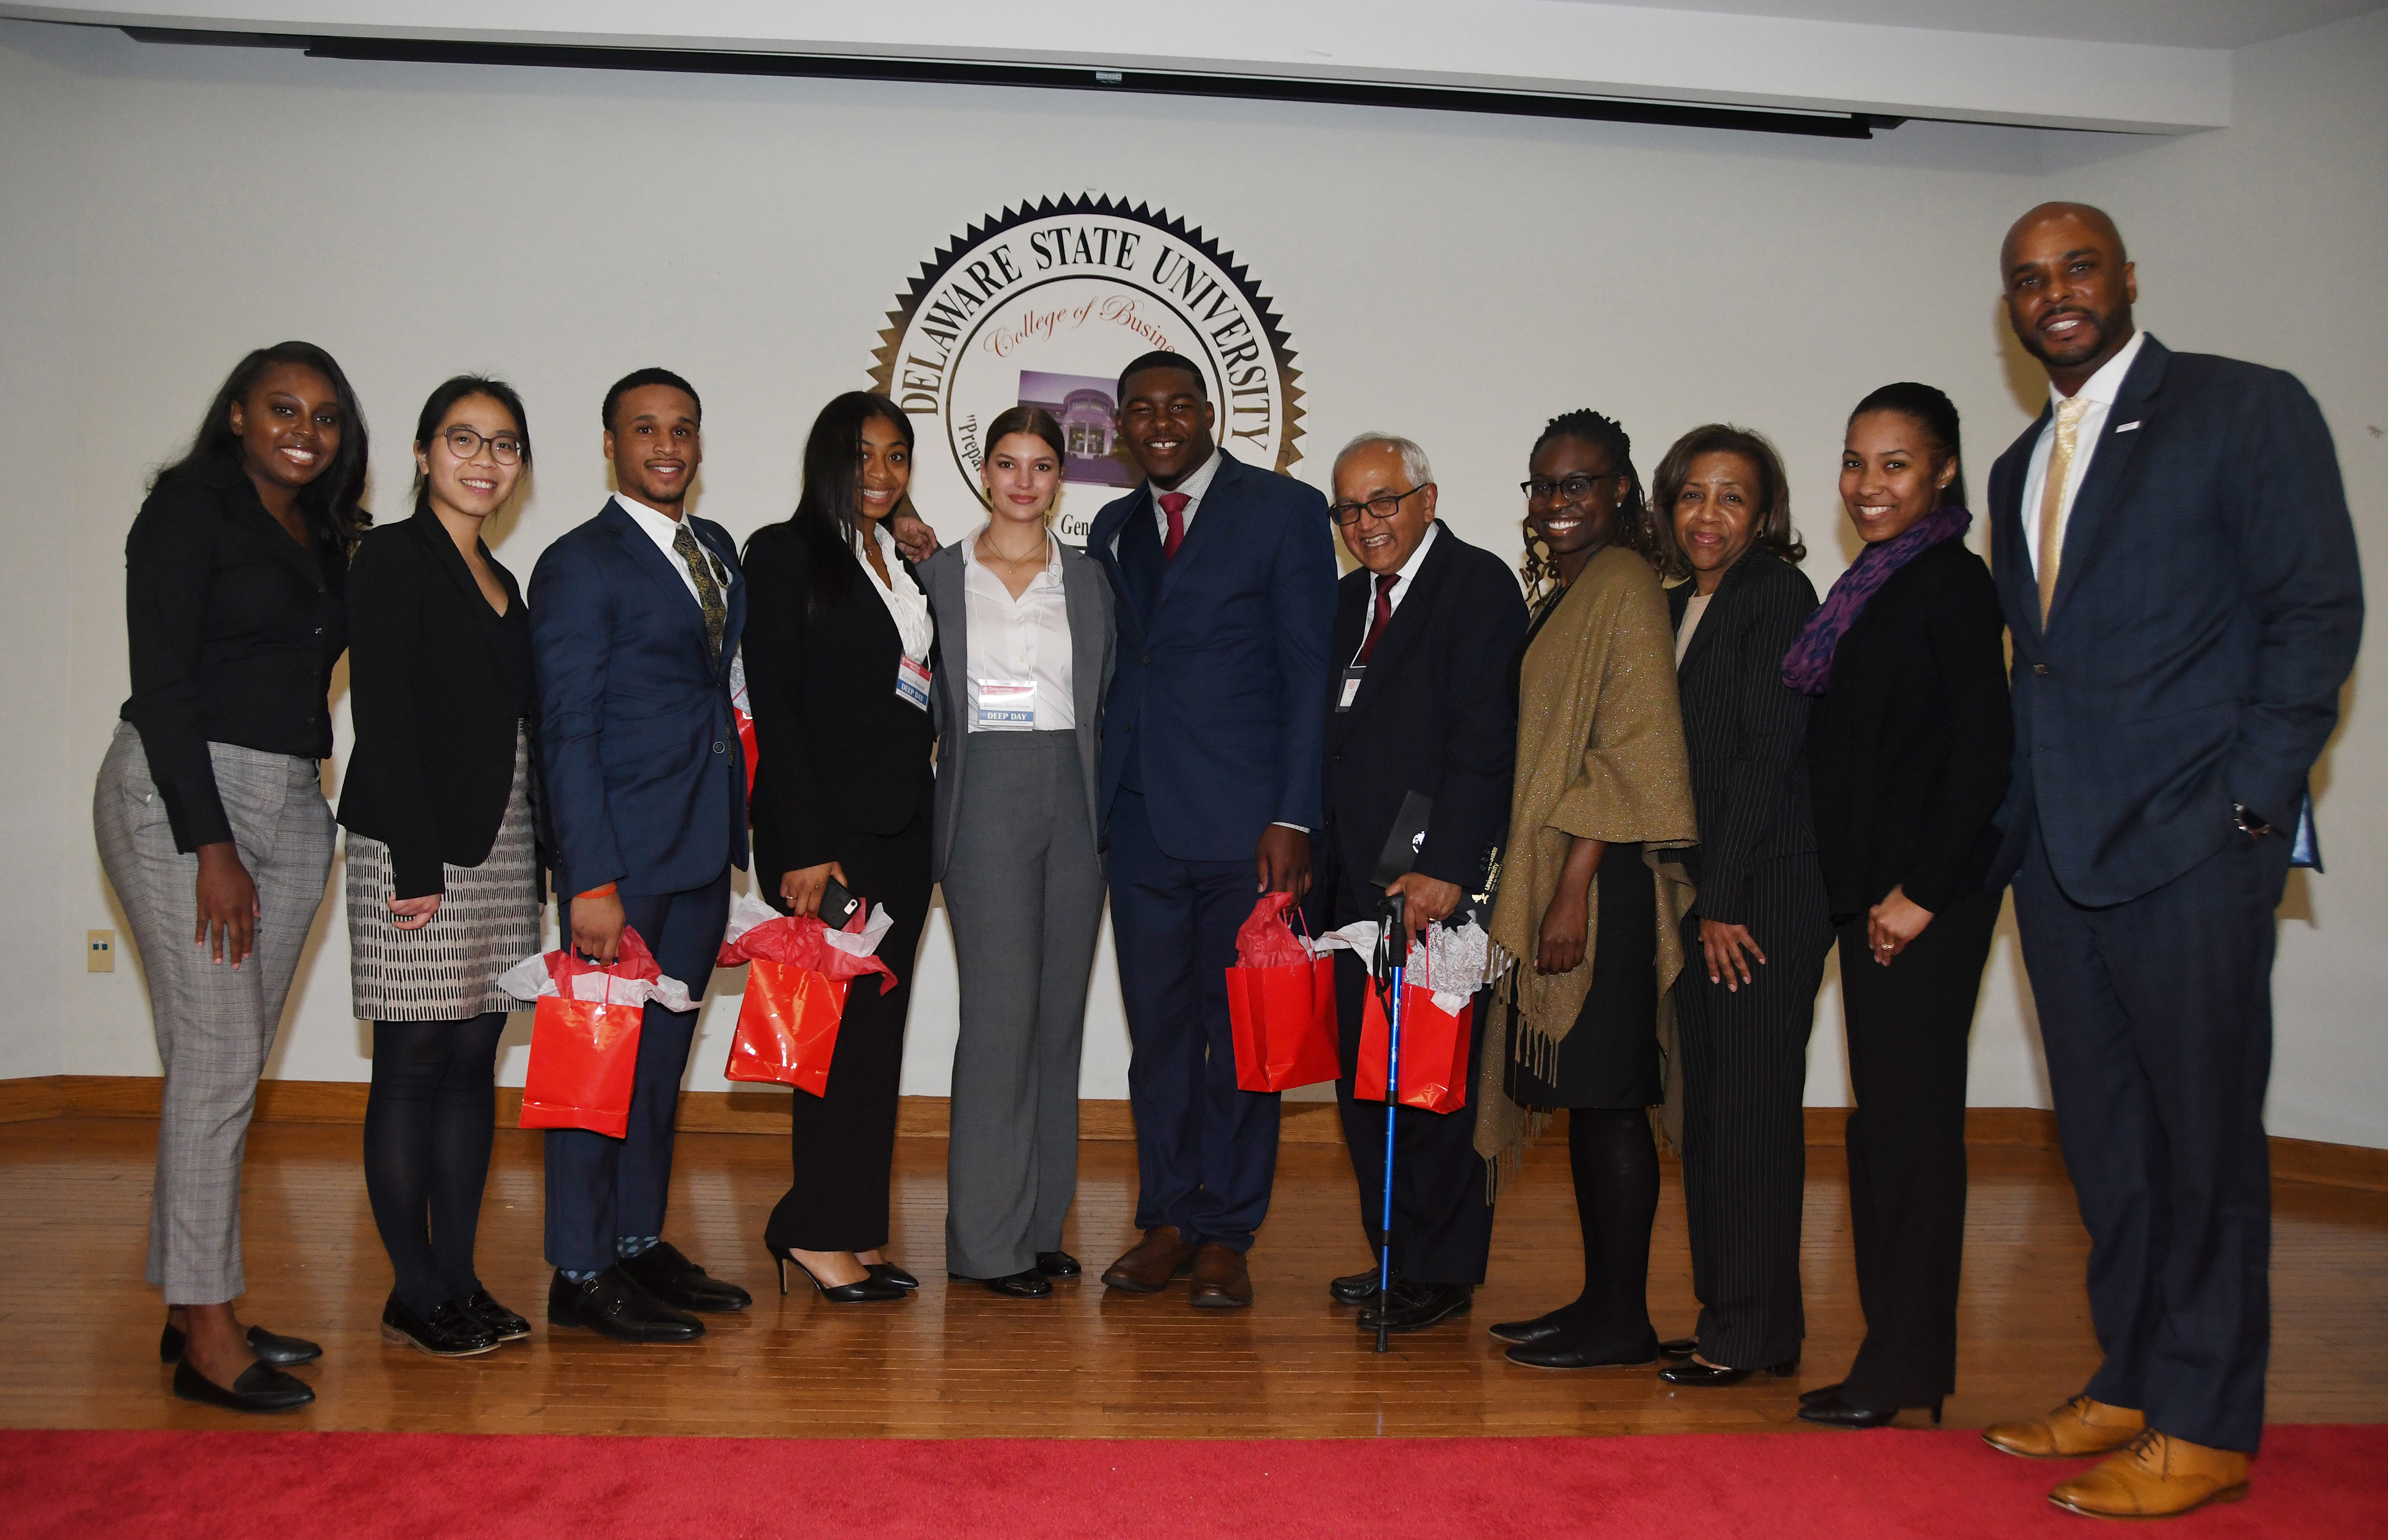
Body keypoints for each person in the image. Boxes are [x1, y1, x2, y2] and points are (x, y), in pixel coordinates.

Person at [1976, 204, 2362, 1520]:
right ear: (2009, 309)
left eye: (2076, 267)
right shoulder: (2017, 465)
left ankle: (2203, 1419)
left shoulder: (2243, 410)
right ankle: (2131, 1376)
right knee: (2106, 1145)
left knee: (2202, 1148)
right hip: (2061, 861)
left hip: (2194, 847)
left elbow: (2314, 608)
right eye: (2027, 280)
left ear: (2125, 277)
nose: (2054, 295)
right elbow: (2044, 669)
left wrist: (2250, 807)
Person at [94, 341, 365, 1411]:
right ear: (239, 417)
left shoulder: (328, 538)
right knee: (214, 1064)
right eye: (283, 408)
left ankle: (189, 1304)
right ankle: (210, 1336)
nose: (305, 429)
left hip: (296, 798)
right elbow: (161, 688)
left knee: (227, 1064)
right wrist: (210, 847)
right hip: (180, 793)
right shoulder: (185, 513)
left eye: (327, 416)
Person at [1085, 350, 1338, 1308]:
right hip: (1140, 824)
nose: (1159, 423)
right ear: (1120, 425)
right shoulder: (1114, 525)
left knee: (1242, 1038)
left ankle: (1229, 1231)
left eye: (1176, 406)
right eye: (1139, 410)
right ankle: (1169, 1218)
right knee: (1158, 1037)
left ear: (1207, 412)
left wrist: (1293, 813)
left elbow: (1309, 671)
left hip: (1248, 830)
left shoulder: (1283, 510)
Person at [1786, 384, 2011, 1428]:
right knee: (1884, 1135)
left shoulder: (1951, 585)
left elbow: (1983, 755)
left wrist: (1918, 892)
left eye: (1895, 465)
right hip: (1872, 902)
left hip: (1921, 907)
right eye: (1855, 462)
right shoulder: (1876, 586)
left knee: (1910, 1140)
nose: (1868, 486)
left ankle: (1906, 1367)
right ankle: (1899, 1359)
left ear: (1944, 473)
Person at [530, 368, 755, 1341]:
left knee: (661, 1066)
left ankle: (633, 1242)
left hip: (702, 851)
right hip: (618, 862)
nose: (668, 446)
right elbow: (565, 731)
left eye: (684, 429)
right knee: (598, 1069)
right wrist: (588, 879)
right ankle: (577, 1271)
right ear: (612, 444)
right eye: (645, 430)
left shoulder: (717, 549)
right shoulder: (580, 562)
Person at [1477, 410, 1699, 1369]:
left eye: (1578, 484)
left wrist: (1568, 893)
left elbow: (1634, 758)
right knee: (1586, 1097)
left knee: (1612, 1100)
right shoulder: (1574, 591)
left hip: (1601, 892)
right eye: (1543, 485)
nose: (1557, 503)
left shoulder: (1625, 586)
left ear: (1620, 490)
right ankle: (1600, 1301)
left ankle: (1622, 1322)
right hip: (1571, 878)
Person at [339, 375, 546, 1359]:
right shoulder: (392, 557)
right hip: (413, 848)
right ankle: (413, 1288)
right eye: (462, 440)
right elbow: (380, 711)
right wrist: (414, 863)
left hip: (500, 849)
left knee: (473, 1068)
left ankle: (459, 1278)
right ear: (423, 454)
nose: (483, 460)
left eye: (503, 445)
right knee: (412, 1069)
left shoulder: (509, 582)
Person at [1311, 433, 1525, 1335]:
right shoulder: (1348, 600)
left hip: (1434, 890)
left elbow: (1486, 745)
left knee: (1435, 1085)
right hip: (1355, 887)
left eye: (1385, 502)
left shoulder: (1475, 588)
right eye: (1351, 509)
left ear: (1428, 499)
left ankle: (1442, 1271)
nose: (1368, 524)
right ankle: (1394, 1252)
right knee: (1372, 1083)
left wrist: (1442, 870)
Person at [741, 391, 937, 1304]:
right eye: (862, 456)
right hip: (830, 847)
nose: (881, 474)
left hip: (903, 835)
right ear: (827, 460)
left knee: (876, 1041)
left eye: (897, 457)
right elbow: (775, 708)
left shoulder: (901, 560)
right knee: (829, 1045)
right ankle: (811, 1231)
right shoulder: (785, 556)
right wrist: (805, 845)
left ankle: (851, 1227)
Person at [918, 406, 1115, 1298]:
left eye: (1041, 465)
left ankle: (1038, 1229)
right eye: (1008, 463)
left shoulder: (1090, 581)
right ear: (984, 473)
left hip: (1073, 802)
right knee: (1001, 1019)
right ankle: (984, 1246)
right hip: (984, 796)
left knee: (1057, 1021)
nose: (1024, 481)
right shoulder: (935, 578)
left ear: (1059, 478)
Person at [1649, 424, 1831, 1388]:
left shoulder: (1775, 594)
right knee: (1713, 1117)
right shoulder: (1681, 602)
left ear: (1764, 516)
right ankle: (1735, 1315)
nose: (1708, 514)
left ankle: (1753, 1328)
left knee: (1753, 1117)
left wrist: (1720, 902)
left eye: (1731, 497)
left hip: (1761, 896)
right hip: (1710, 895)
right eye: (1692, 494)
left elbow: (1771, 755)